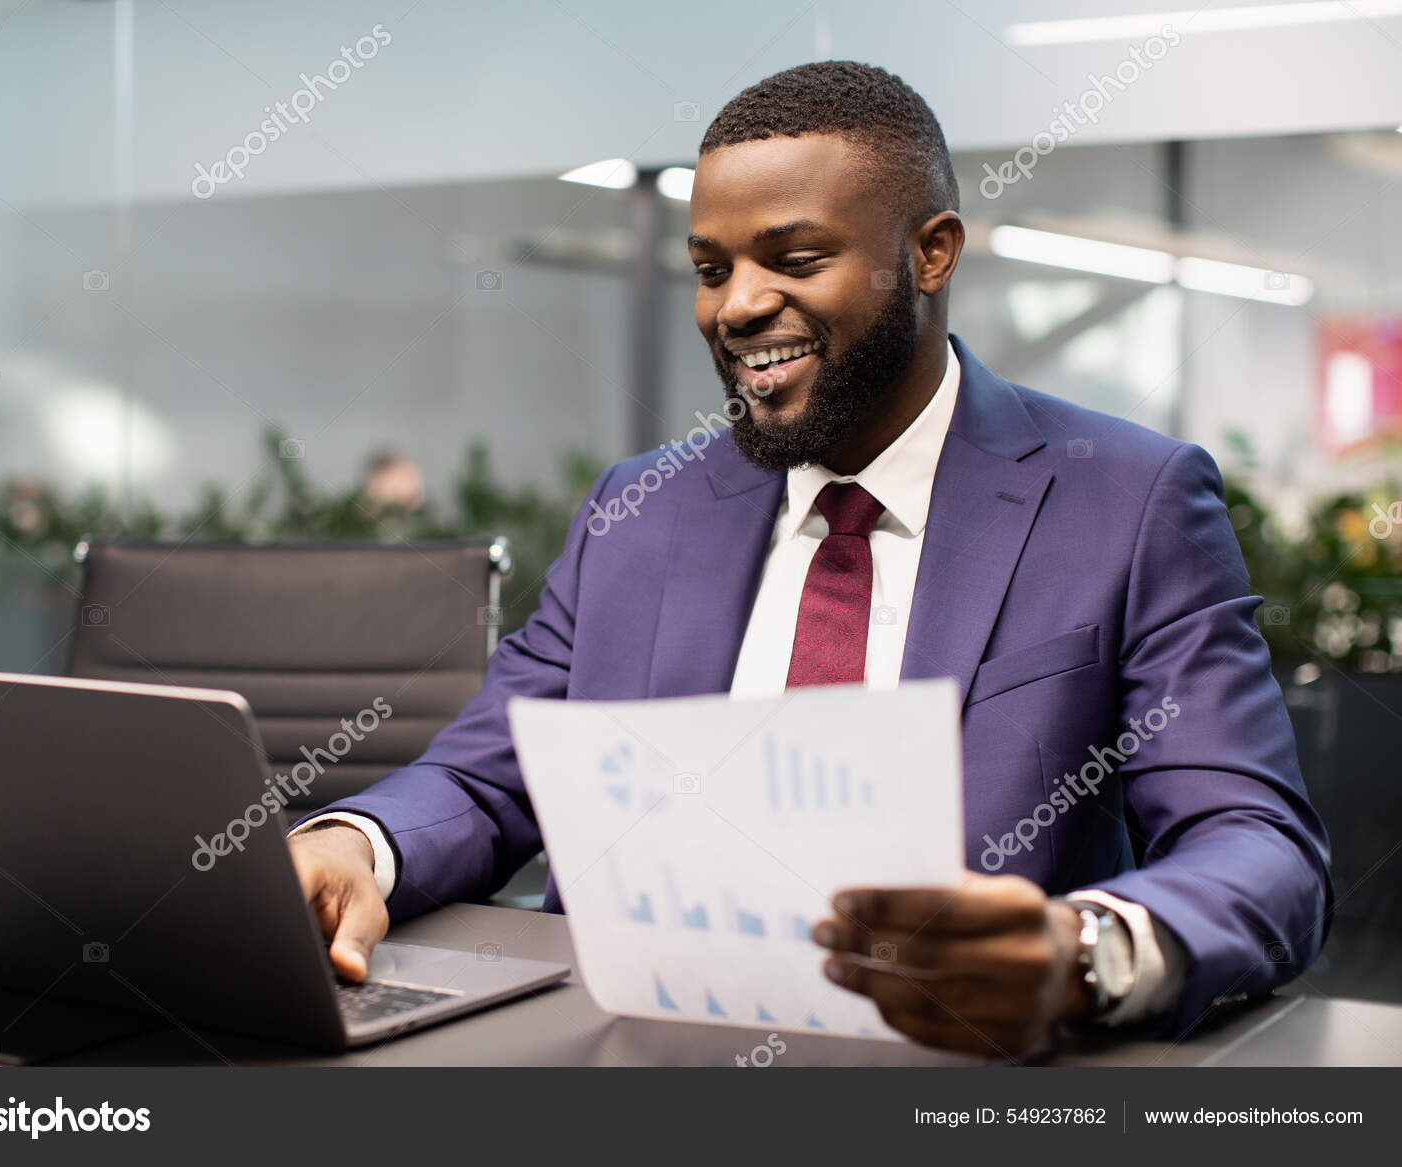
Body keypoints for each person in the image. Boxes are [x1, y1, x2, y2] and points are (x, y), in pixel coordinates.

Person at [287, 61, 1330, 1058]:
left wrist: (1082, 951)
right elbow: (482, 778)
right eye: (711, 270)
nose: (735, 306)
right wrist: (351, 845)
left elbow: (1258, 845)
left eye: (792, 261)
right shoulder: (639, 512)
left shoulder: (1126, 501)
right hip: (634, 1059)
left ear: (931, 254)